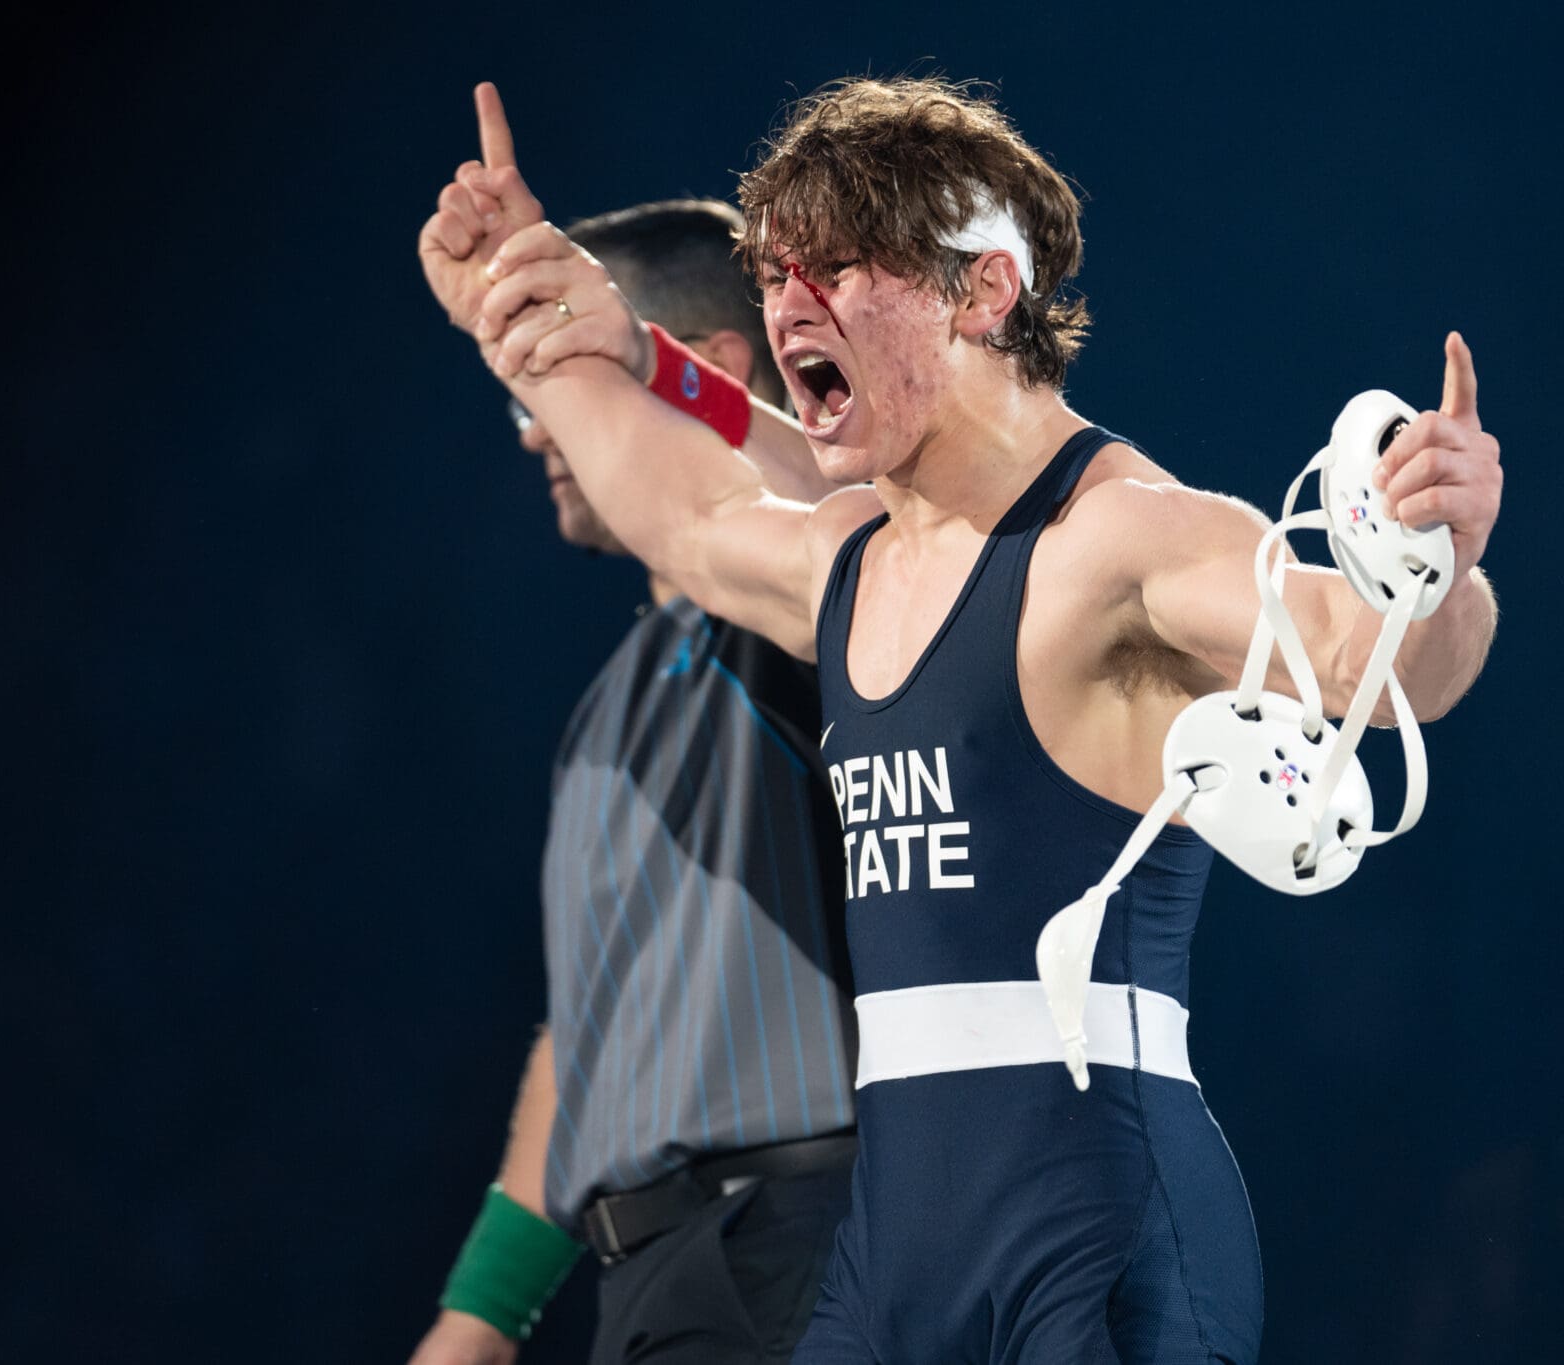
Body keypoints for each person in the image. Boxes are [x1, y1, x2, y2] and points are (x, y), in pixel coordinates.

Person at [422, 80, 1504, 1364]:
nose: (787, 306)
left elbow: (1378, 669)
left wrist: (1441, 564)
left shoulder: (1117, 536)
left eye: (833, 266)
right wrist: (517, 321)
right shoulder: (849, 561)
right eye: (774, 274)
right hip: (888, 1258)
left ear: (982, 292)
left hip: (1095, 1233)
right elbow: (685, 510)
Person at [407, 196, 860, 1365]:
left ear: (702, 367)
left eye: (551, 380)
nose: (530, 429)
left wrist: (640, 363)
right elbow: (589, 1039)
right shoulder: (601, 717)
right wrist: (478, 1322)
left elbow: (830, 504)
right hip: (655, 1286)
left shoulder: (815, 612)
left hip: (807, 1243)